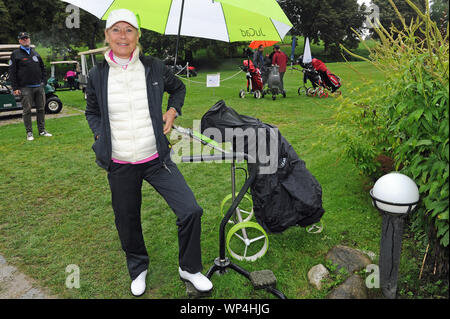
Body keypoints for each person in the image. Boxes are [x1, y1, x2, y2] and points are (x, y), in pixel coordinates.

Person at [85, 8, 213, 297]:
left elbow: (178, 88)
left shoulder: (154, 66)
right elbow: (91, 110)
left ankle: (190, 268)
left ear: (138, 35)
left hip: (156, 159)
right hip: (119, 163)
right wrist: (98, 133)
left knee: (190, 210)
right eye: (116, 30)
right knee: (127, 220)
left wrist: (172, 110)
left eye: (128, 30)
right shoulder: (97, 73)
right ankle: (138, 267)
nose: (122, 36)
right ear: (107, 35)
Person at [9, 32, 52, 141]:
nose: (25, 40)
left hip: (39, 86)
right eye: (22, 39)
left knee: (41, 109)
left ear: (29, 39)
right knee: (27, 110)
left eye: (26, 38)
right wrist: (15, 88)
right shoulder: (16, 54)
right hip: (25, 88)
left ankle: (42, 130)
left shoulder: (35, 53)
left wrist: (44, 82)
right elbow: (12, 72)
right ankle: (29, 133)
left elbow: (43, 68)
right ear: (19, 41)